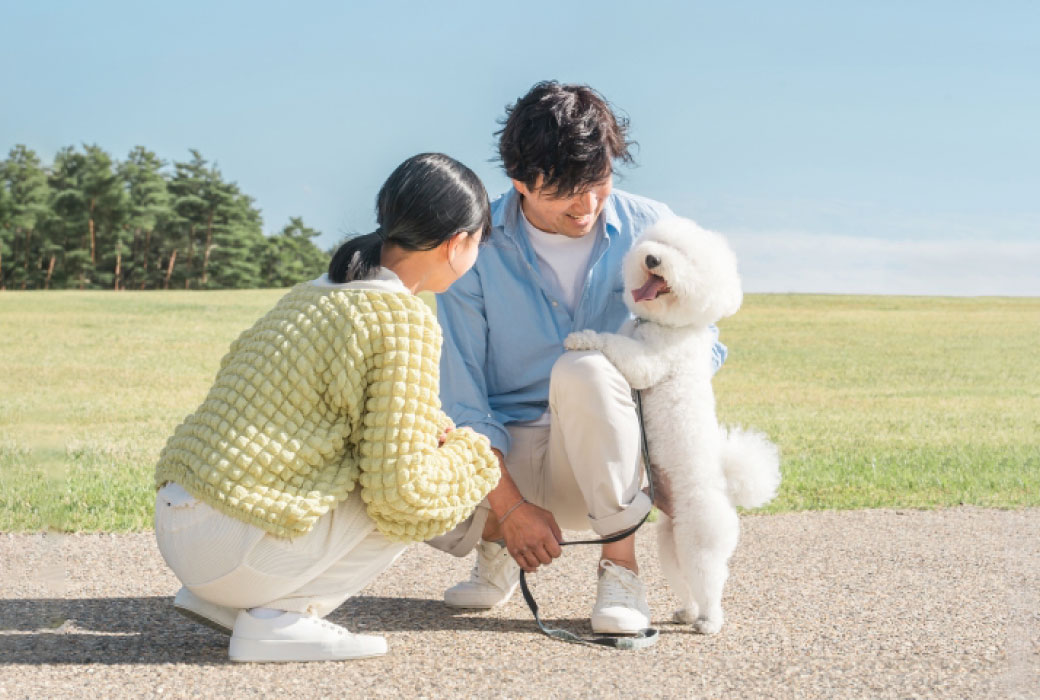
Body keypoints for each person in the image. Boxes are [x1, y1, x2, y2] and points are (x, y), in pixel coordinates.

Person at [153, 153, 500, 663]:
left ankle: (237, 603)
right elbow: (403, 492)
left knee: (390, 457)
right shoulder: (402, 317)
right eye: (479, 243)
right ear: (457, 244)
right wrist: (475, 457)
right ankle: (279, 617)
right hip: (234, 547)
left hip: (183, 529)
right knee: (410, 484)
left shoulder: (315, 291)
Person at [428, 82, 727, 634]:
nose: (587, 205)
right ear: (518, 181)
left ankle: (621, 572)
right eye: (564, 191)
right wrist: (511, 509)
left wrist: (669, 455)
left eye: (598, 183)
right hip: (503, 466)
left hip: (611, 461)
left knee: (585, 367)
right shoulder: (474, 246)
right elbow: (460, 394)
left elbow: (699, 342)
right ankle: (494, 544)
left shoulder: (652, 226)